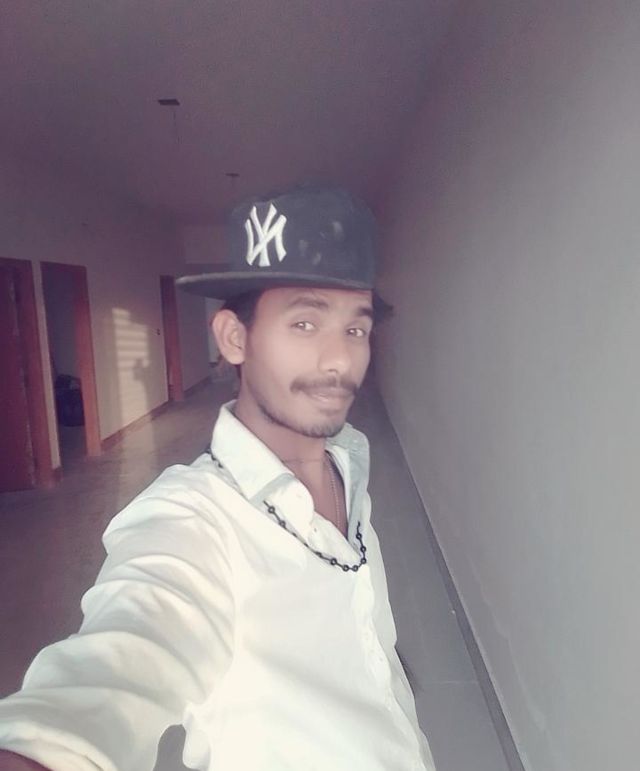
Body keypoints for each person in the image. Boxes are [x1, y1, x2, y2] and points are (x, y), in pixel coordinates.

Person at [0, 186, 436, 770]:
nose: (339, 359)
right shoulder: (191, 519)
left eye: (355, 330)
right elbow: (125, 655)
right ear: (234, 338)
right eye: (305, 323)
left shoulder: (348, 459)